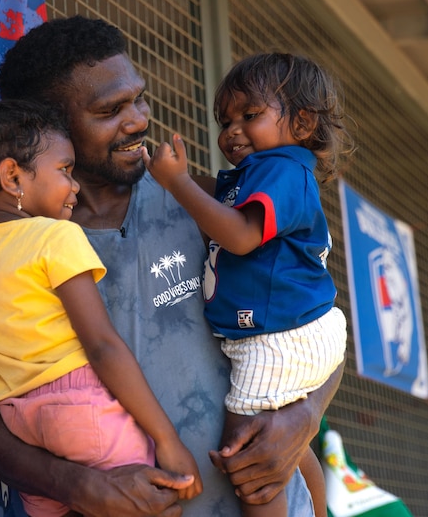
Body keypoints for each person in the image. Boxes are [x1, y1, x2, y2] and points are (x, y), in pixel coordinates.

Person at [0, 15, 344, 517]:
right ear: (53, 125)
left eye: (138, 98)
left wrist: (304, 416)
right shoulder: (9, 246)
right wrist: (75, 486)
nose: (138, 119)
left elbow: (314, 328)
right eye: (110, 110)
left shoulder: (204, 204)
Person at [0, 98, 201, 517]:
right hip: (82, 409)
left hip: (18, 419)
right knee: (159, 504)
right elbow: (103, 346)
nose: (75, 186)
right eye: (65, 170)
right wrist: (167, 440)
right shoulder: (57, 237)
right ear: (12, 177)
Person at [142, 52, 355, 517]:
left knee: (249, 455)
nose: (231, 130)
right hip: (298, 329)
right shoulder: (257, 174)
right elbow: (215, 200)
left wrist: (176, 183)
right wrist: (159, 176)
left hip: (276, 340)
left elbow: (238, 236)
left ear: (301, 123)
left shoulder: (282, 169)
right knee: (292, 450)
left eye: (250, 115)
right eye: (225, 120)